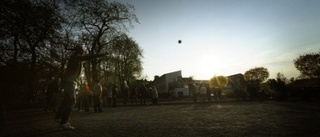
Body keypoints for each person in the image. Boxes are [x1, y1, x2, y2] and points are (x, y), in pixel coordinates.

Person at [55, 45, 106, 129]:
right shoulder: (76, 57)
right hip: (70, 81)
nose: (84, 52)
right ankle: (63, 122)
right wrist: (100, 54)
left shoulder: (76, 58)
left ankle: (58, 117)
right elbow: (87, 57)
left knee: (66, 100)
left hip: (71, 81)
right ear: (80, 51)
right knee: (72, 100)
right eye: (83, 50)